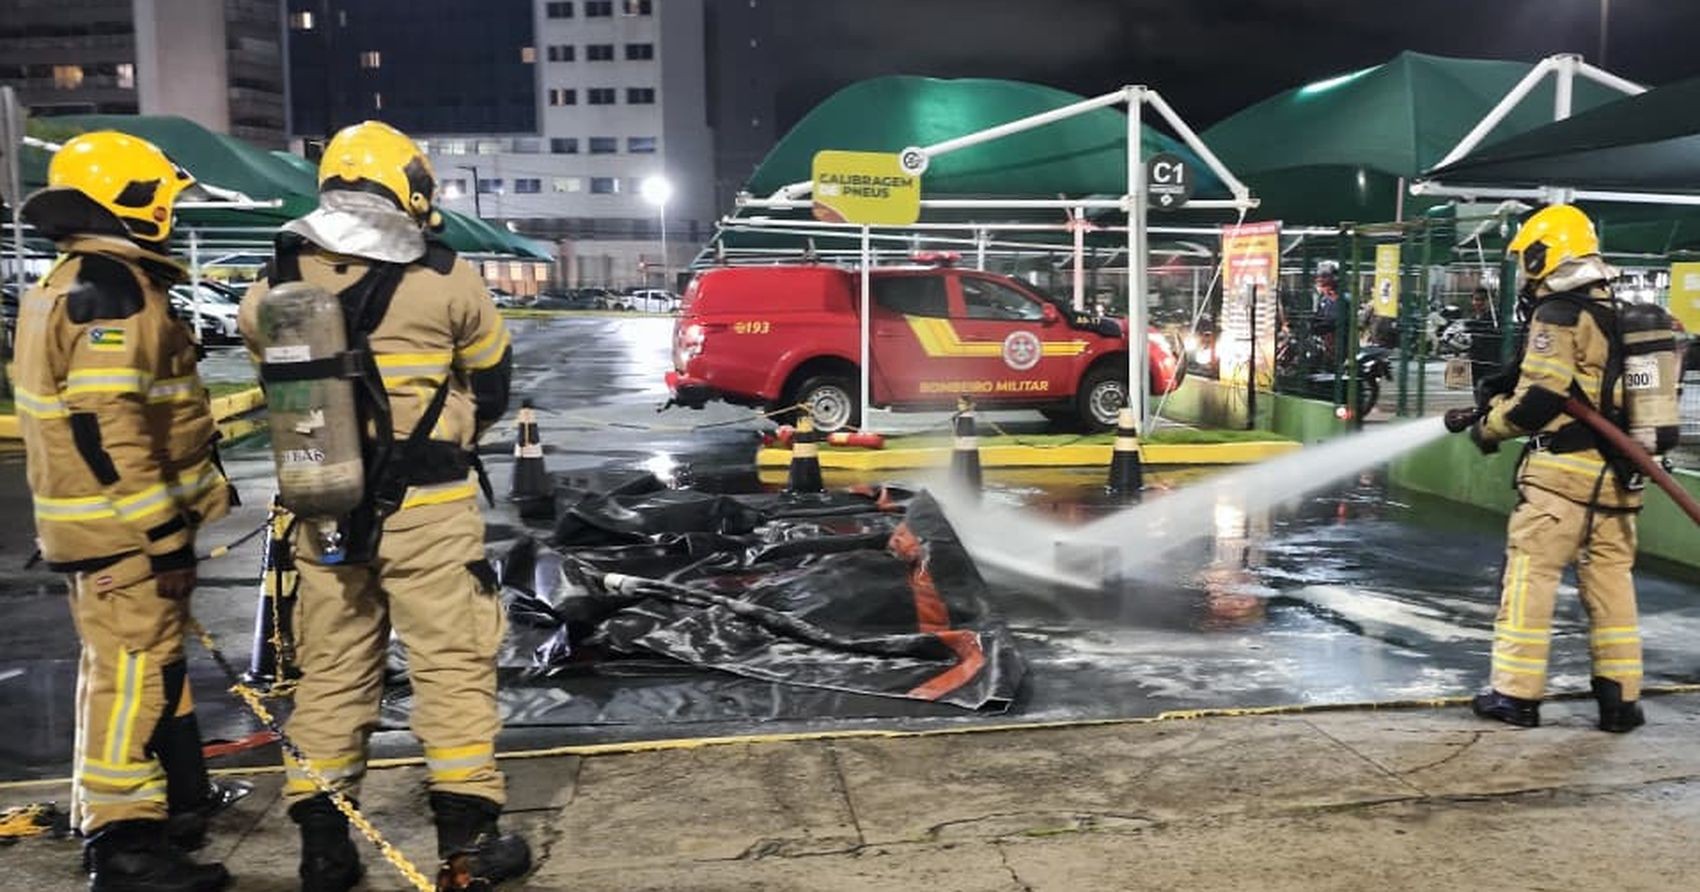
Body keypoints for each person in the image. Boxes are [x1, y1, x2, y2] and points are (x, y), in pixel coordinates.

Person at [239, 120, 526, 890]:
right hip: (429, 507)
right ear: (411, 189)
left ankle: (324, 851)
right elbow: (493, 385)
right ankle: (466, 850)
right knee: (451, 668)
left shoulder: (274, 281)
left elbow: (276, 381)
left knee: (331, 671)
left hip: (322, 505)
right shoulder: (446, 277)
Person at [14, 131, 238, 890]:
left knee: (123, 671)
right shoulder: (110, 291)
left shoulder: (74, 281)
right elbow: (108, 427)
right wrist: (165, 536)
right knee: (130, 678)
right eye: (164, 201)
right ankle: (125, 848)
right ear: (130, 201)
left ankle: (151, 819)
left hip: (95, 528)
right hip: (122, 533)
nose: (172, 216)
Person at [1455, 204, 1645, 733]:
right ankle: (1620, 702)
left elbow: (1541, 396)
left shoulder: (1559, 314)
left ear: (1545, 254)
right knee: (1611, 584)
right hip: (1621, 478)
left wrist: (1489, 427)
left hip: (1562, 480)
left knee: (1531, 577)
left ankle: (1515, 696)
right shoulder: (1622, 313)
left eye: (1527, 259)